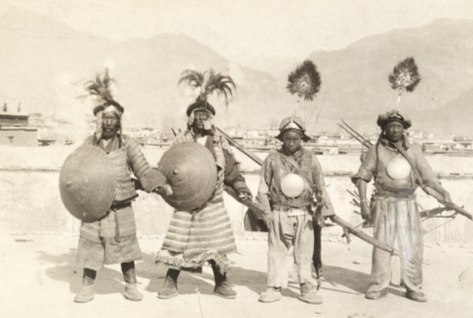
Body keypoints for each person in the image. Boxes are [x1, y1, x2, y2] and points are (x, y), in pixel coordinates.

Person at [75, 100, 171, 303]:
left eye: (112, 118)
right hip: (94, 206)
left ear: (119, 122)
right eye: (104, 118)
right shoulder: (89, 144)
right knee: (90, 247)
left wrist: (158, 185)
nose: (108, 122)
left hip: (121, 207)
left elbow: (143, 169)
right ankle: (87, 286)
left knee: (126, 249)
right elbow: (77, 170)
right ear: (99, 121)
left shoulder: (128, 145)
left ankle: (131, 285)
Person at [155, 97, 252, 300]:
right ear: (191, 118)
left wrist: (240, 188)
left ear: (210, 118)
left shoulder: (218, 142)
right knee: (178, 244)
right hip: (186, 202)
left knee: (215, 244)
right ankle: (171, 283)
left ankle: (221, 283)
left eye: (205, 115)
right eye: (197, 115)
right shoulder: (181, 142)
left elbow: (232, 169)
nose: (201, 119)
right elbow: (169, 167)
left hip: (212, 201)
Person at [351, 110, 452, 302]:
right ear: (384, 129)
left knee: (412, 245)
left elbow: (428, 177)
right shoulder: (376, 151)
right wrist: (364, 203)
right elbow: (362, 178)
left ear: (404, 129)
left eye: (398, 126)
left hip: (408, 204)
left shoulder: (413, 151)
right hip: (384, 203)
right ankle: (378, 285)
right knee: (382, 246)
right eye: (391, 126)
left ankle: (412, 286)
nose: (395, 130)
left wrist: (442, 192)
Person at [255, 116, 335, 304]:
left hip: (305, 213)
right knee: (276, 250)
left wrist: (326, 211)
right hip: (279, 212)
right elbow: (263, 188)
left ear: (301, 139)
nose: (291, 142)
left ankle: (306, 287)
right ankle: (274, 287)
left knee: (304, 252)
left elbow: (320, 185)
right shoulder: (272, 159)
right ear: (282, 138)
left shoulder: (310, 158)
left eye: (295, 139)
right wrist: (267, 213)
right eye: (288, 138)